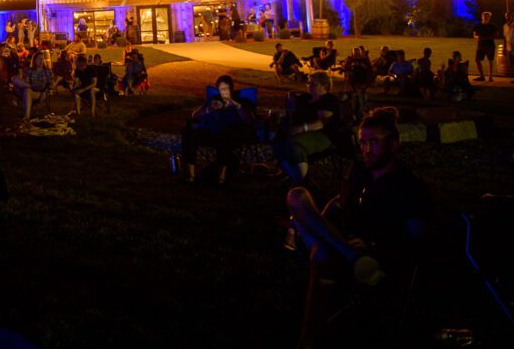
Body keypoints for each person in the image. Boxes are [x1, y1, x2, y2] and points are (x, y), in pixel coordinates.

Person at [287, 108, 431, 348]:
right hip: (346, 244)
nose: (365, 149)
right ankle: (350, 256)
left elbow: (417, 239)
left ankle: (308, 339)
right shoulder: (360, 171)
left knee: (321, 252)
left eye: (373, 142)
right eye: (362, 142)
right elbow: (342, 203)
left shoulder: (408, 187)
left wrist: (375, 246)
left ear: (394, 145)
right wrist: (324, 221)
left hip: (374, 258)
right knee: (297, 196)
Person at [182, 75, 256, 185]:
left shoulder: (241, 101)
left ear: (232, 88)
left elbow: (250, 120)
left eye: (227, 88)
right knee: (189, 134)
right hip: (212, 134)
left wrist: (236, 105)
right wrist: (209, 109)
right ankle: (190, 176)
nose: (224, 92)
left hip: (231, 136)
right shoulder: (214, 100)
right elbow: (194, 115)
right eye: (222, 89)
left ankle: (221, 178)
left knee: (224, 138)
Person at [274, 71, 339, 185]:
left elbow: (323, 123)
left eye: (313, 83)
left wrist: (302, 128)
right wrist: (291, 102)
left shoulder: (328, 99)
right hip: (299, 131)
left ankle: (299, 181)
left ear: (324, 85)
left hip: (322, 135)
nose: (308, 85)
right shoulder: (305, 98)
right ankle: (289, 172)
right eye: (308, 83)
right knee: (278, 138)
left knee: (295, 143)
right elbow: (292, 114)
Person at [12, 51, 53, 121]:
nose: (41, 61)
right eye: (39, 59)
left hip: (38, 93)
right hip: (29, 90)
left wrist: (45, 91)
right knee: (14, 78)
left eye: (42, 59)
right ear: (34, 60)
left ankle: (27, 116)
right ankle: (30, 86)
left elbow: (50, 84)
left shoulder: (46, 71)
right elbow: (25, 82)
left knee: (27, 90)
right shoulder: (30, 71)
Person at [472, 11, 498, 82]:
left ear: (489, 18)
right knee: (477, 60)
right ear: (482, 17)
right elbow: (474, 35)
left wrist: (486, 38)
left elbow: (495, 35)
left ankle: (490, 76)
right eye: (484, 16)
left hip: (490, 45)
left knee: (490, 60)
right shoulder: (478, 26)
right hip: (480, 45)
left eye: (487, 17)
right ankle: (481, 76)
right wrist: (478, 37)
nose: (486, 18)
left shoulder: (492, 26)